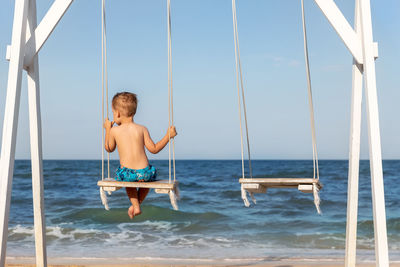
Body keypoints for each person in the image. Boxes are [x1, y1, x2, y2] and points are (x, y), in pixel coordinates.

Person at [103, 92, 177, 219]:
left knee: (129, 183)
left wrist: (108, 129)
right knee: (146, 183)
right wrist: (168, 136)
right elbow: (154, 149)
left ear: (118, 113)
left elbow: (109, 148)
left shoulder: (115, 131)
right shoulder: (142, 129)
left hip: (128, 173)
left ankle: (136, 206)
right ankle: (137, 204)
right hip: (146, 172)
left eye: (113, 113)